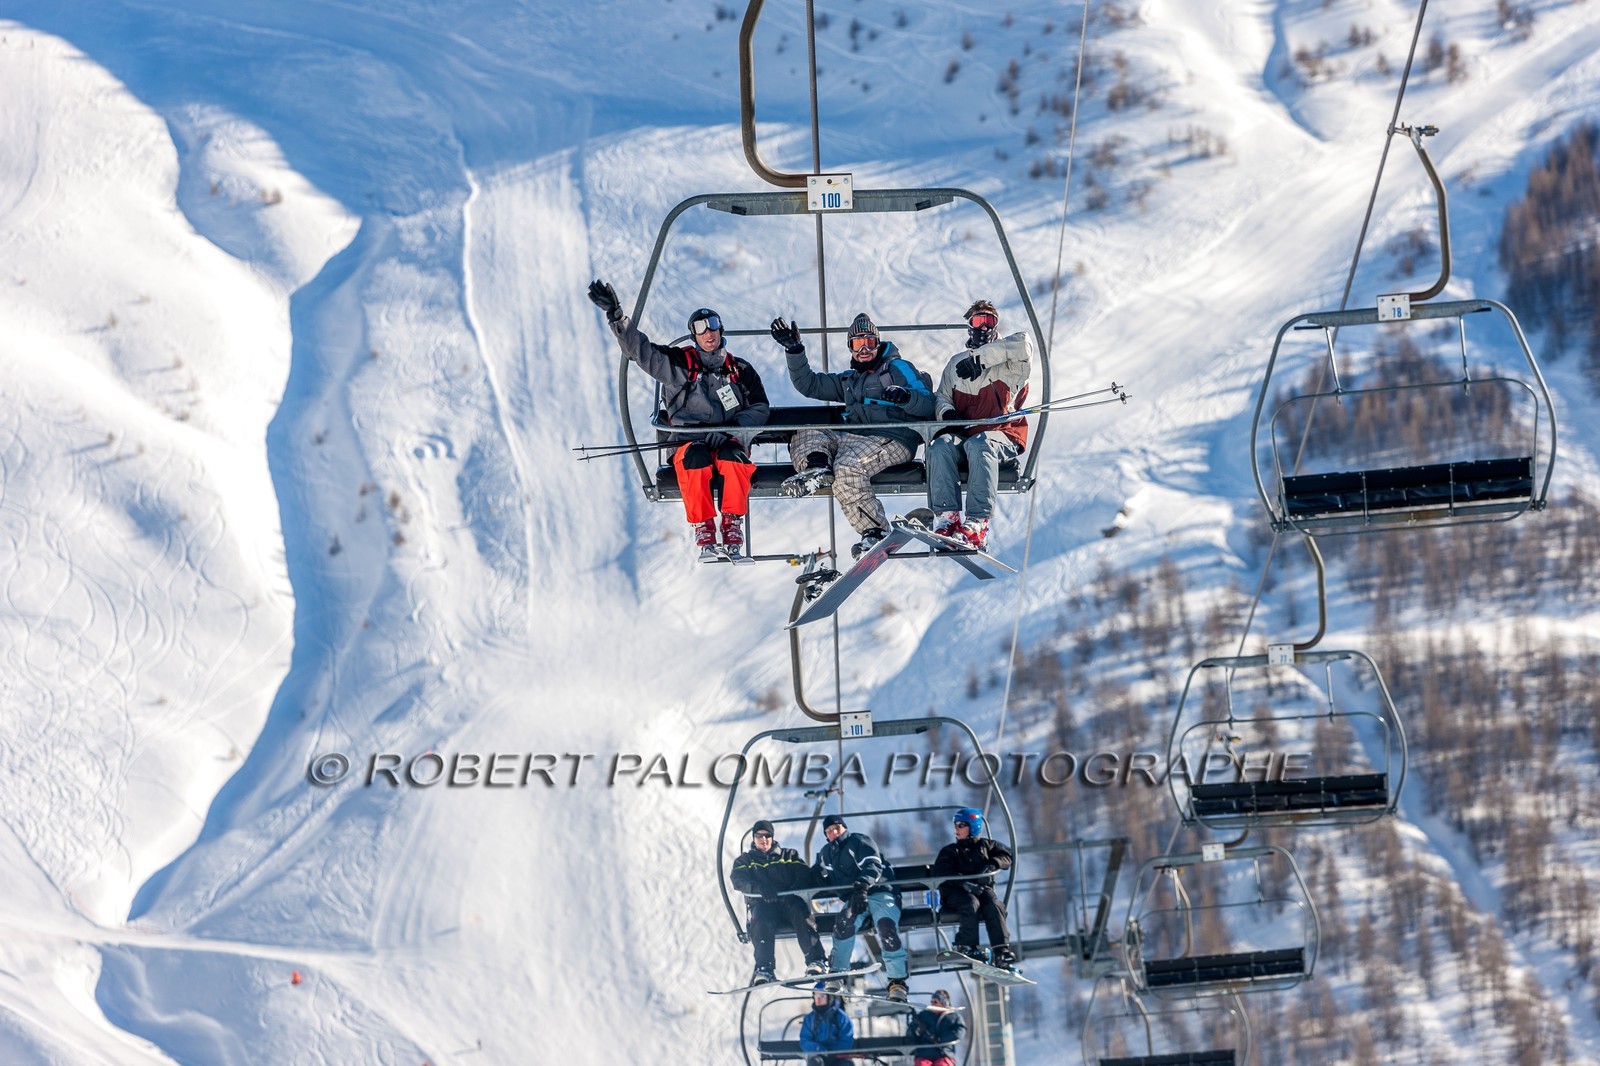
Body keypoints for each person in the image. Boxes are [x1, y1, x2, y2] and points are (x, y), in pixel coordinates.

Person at [588, 279, 771, 559]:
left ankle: (732, 521)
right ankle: (704, 525)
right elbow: (641, 352)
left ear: (721, 330)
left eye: (712, 325)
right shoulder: (678, 365)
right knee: (695, 458)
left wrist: (732, 428)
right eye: (700, 328)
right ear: (693, 336)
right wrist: (617, 317)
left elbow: (759, 407)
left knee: (734, 456)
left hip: (729, 439)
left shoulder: (739, 369)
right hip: (689, 441)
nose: (708, 332)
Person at [769, 313, 935, 559]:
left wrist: (906, 397)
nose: (865, 349)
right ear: (851, 347)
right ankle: (817, 469)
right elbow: (810, 385)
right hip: (857, 438)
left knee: (847, 467)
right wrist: (795, 351)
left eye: (869, 342)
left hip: (894, 437)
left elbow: (928, 403)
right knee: (807, 431)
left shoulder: (897, 368)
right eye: (858, 344)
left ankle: (874, 531)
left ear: (878, 343)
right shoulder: (850, 380)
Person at [926, 300, 1032, 551]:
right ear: (968, 326)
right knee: (940, 446)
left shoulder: (1010, 361)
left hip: (1002, 434)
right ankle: (948, 518)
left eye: (989, 321)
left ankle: (977, 522)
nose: (983, 328)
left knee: (981, 444)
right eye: (977, 321)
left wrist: (983, 358)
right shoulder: (956, 364)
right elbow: (942, 397)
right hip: (966, 435)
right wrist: (948, 414)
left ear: (996, 325)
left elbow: (1025, 346)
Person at [814, 813, 910, 1001]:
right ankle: (837, 974)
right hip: (857, 898)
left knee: (886, 927)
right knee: (843, 922)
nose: (834, 832)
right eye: (830, 831)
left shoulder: (858, 842)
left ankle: (897, 981)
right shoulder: (827, 853)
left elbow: (873, 865)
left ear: (844, 828)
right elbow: (817, 873)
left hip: (881, 892)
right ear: (826, 834)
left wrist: (862, 886)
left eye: (837, 828)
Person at [729, 819, 829, 985]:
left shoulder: (788, 856)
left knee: (801, 912)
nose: (764, 839)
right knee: (760, 919)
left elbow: (803, 874)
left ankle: (816, 961)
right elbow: (738, 880)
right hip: (764, 905)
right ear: (754, 838)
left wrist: (793, 889)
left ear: (772, 837)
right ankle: (764, 968)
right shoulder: (745, 861)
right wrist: (760, 888)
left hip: (789, 902)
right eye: (759, 836)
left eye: (767, 835)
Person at [931, 807, 1016, 968]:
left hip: (982, 890)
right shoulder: (950, 851)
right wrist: (964, 883)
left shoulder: (987, 846)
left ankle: (1001, 951)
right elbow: (941, 873)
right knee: (970, 903)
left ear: (973, 826)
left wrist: (992, 865)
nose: (956, 829)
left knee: (995, 905)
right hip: (955, 893)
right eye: (955, 825)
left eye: (961, 825)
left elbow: (1007, 856)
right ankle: (967, 946)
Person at [907, 988, 966, 1066]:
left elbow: (960, 1031)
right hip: (924, 1053)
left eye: (935, 1002)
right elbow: (910, 1033)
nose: (933, 1004)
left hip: (944, 1053)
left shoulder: (953, 1017)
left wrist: (941, 1039)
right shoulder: (923, 1016)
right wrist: (917, 1031)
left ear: (944, 1003)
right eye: (932, 1002)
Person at [798, 982, 854, 1063]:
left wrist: (832, 1052)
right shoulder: (810, 1019)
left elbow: (846, 1040)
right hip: (818, 1056)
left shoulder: (841, 1017)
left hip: (838, 1057)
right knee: (815, 1063)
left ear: (830, 997)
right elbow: (804, 1041)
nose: (818, 999)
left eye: (822, 996)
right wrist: (819, 1049)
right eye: (816, 996)